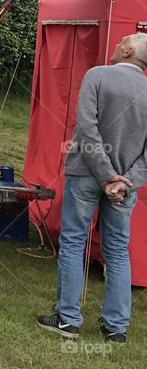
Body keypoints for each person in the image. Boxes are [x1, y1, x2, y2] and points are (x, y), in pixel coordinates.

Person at [37, 33, 147, 344]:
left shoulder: (97, 75)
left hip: (87, 175)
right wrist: (126, 180)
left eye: (121, 41)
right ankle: (116, 328)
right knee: (117, 251)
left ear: (127, 50)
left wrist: (106, 176)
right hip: (126, 185)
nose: (115, 44)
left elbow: (86, 129)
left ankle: (68, 320)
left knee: (73, 243)